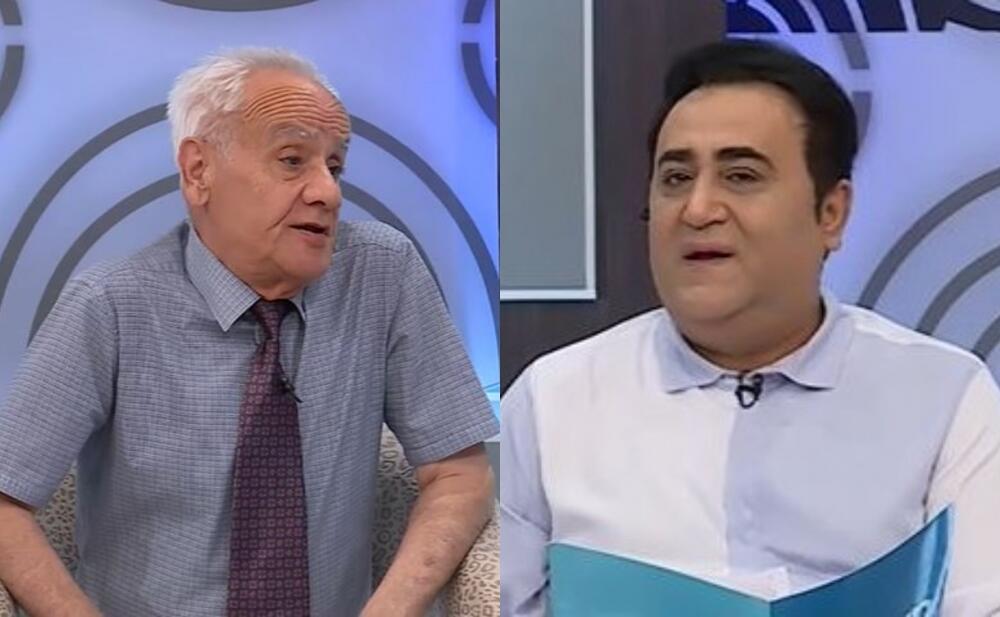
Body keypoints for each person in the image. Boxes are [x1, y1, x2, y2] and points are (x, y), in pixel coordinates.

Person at [500, 39, 1000, 616]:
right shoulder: (553, 399)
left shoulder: (945, 396)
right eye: (675, 178)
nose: (698, 209)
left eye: (740, 176)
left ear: (831, 213)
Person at [0, 47, 498, 616]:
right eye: (292, 160)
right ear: (198, 171)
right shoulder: (109, 306)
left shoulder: (382, 274)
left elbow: (461, 474)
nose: (328, 192)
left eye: (335, 166)